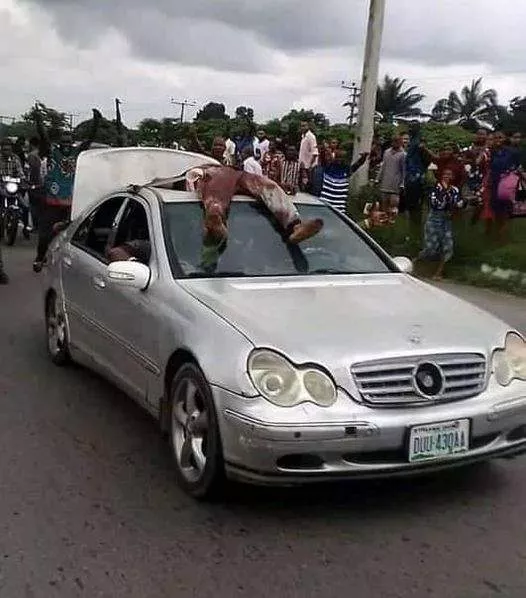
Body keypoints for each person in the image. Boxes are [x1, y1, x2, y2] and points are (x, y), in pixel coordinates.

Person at [33, 104, 102, 272]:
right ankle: (39, 258)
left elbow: (88, 141)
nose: (66, 144)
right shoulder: (52, 151)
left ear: (71, 143)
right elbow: (43, 137)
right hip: (52, 202)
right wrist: (39, 120)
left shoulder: (77, 152)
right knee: (45, 235)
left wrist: (96, 122)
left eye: (68, 141)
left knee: (75, 236)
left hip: (72, 203)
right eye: (63, 141)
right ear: (59, 142)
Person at [414, 168, 463, 280]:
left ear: (453, 177)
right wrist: (446, 194)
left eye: (449, 174)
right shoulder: (435, 188)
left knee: (447, 247)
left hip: (447, 220)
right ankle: (414, 264)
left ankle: (438, 273)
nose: (447, 176)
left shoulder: (455, 190)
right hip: (434, 219)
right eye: (445, 174)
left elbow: (459, 203)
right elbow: (436, 203)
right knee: (430, 248)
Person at [0, 138, 26, 284]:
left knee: (25, 206)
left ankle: (27, 227)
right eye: (4, 149)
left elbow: (20, 173)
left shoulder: (15, 159)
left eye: (8, 148)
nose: (6, 151)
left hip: (11, 188)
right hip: (0, 188)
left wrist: (23, 181)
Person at [488, 131, 521, 243]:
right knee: (496, 210)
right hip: (494, 183)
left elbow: (517, 166)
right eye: (495, 138)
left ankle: (503, 237)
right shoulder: (491, 152)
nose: (497, 140)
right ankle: (497, 234)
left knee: (506, 211)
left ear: (504, 139)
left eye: (500, 137)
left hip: (506, 184)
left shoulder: (512, 152)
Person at [404, 123, 431, 235]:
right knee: (411, 207)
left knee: (416, 208)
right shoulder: (412, 141)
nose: (410, 129)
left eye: (412, 128)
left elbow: (427, 159)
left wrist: (421, 172)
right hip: (410, 176)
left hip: (417, 177)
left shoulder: (420, 142)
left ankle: (415, 233)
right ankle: (412, 232)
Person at [377, 135, 406, 222]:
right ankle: (384, 221)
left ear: (400, 143)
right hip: (385, 182)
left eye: (397, 141)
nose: (395, 143)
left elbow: (404, 170)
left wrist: (402, 183)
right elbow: (383, 166)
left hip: (395, 185)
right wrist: (378, 178)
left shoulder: (403, 154)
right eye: (393, 141)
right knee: (384, 204)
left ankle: (392, 221)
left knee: (393, 204)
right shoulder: (386, 152)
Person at [27, 136, 43, 231]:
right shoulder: (42, 154)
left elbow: (33, 170)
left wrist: (30, 184)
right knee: (41, 206)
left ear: (32, 144)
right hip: (44, 184)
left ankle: (36, 226)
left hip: (35, 184)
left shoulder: (31, 155)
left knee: (33, 205)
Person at [298, 121, 318, 191]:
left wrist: (310, 166)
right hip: (302, 165)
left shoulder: (311, 137)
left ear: (308, 126)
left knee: (308, 186)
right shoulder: (303, 136)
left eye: (304, 126)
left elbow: (315, 153)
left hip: (308, 167)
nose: (303, 127)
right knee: (301, 185)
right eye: (301, 126)